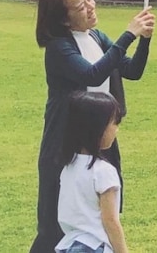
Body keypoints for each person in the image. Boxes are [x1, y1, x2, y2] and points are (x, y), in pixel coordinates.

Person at [31, 0, 154, 253]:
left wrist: (144, 39)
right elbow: (92, 74)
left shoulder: (97, 38)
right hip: (65, 143)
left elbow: (132, 70)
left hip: (100, 137)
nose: (90, 7)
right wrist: (128, 35)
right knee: (54, 224)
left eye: (89, 0)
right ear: (64, 19)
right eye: (80, 6)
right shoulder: (59, 47)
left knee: (104, 211)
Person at [56, 91, 132, 253]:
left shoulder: (69, 166)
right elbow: (110, 220)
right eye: (114, 123)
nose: (116, 130)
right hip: (94, 246)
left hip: (68, 244)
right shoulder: (104, 172)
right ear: (98, 128)